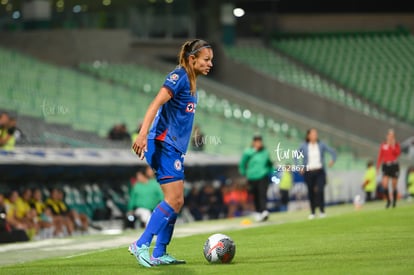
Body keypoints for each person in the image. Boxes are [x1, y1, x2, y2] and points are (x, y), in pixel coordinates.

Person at [130, 39, 213, 267]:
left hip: (173, 147)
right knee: (174, 199)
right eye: (206, 59)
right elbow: (156, 102)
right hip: (162, 143)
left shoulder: (192, 81)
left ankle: (159, 252)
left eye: (211, 60)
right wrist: (142, 133)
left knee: (177, 201)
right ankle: (141, 244)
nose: (210, 64)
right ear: (192, 59)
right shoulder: (179, 77)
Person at [296, 128, 336, 219]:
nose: (315, 135)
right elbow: (296, 156)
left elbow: (333, 152)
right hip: (309, 172)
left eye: (316, 134)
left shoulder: (321, 145)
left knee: (320, 190)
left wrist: (333, 160)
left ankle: (322, 211)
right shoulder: (304, 146)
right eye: (313, 134)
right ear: (308, 135)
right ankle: (313, 212)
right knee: (311, 192)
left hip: (320, 171)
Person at [239, 135, 273, 222]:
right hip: (252, 177)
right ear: (253, 142)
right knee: (255, 195)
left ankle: (264, 210)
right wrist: (243, 172)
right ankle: (258, 212)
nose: (259, 143)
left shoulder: (265, 152)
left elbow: (269, 163)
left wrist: (271, 171)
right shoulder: (248, 152)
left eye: (260, 142)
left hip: (263, 175)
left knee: (262, 193)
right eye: (257, 142)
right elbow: (243, 163)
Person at [376, 129, 401, 208]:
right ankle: (388, 201)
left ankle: (394, 202)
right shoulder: (383, 145)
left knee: (394, 185)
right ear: (387, 136)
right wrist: (378, 167)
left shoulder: (396, 145)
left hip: (394, 165)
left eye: (392, 136)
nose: (390, 137)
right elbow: (380, 156)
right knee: (385, 184)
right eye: (389, 135)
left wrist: (393, 146)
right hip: (386, 165)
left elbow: (397, 154)